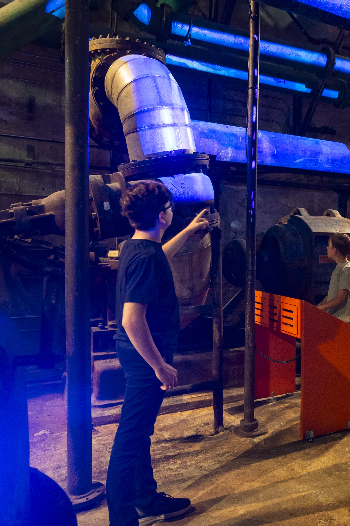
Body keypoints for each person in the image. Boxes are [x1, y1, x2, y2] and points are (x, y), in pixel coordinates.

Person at [106, 180, 209, 526]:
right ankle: (122, 519)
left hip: (134, 354)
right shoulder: (145, 256)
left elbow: (159, 256)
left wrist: (190, 231)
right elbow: (132, 320)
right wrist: (160, 366)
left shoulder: (135, 247)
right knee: (129, 440)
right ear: (162, 215)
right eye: (169, 208)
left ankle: (146, 499)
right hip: (144, 358)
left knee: (139, 432)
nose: (172, 212)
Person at [317, 232, 350, 326]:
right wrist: (319, 306)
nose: (327, 248)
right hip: (339, 319)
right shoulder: (339, 268)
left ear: (335, 251)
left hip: (347, 321)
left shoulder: (346, 269)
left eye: (329, 245)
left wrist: (322, 307)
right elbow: (332, 294)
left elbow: (340, 299)